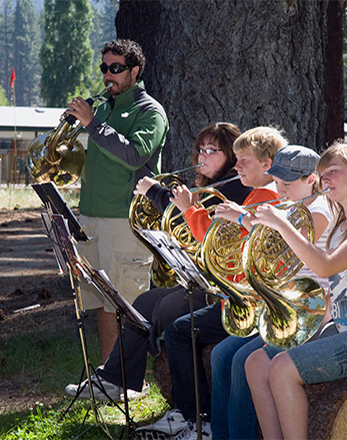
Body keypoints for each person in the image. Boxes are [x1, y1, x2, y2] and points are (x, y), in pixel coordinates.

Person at [65, 123, 251, 403]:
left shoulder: (234, 188)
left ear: (231, 155)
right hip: (202, 280)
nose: (202, 156)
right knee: (143, 303)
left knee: (165, 309)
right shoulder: (210, 186)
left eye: (212, 151)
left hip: (222, 289)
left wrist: (156, 192)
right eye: (200, 149)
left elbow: (194, 226)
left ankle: (181, 405)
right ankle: (117, 379)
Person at [245, 142, 347, 440]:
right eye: (322, 174)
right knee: (257, 362)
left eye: (332, 172)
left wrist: (283, 224)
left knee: (284, 368)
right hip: (345, 327)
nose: (324, 180)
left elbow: (325, 267)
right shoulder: (340, 223)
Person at [140, 126, 288, 440]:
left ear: (267, 163)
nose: (236, 166)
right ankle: (206, 424)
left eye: (244, 160)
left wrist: (189, 209)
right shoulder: (256, 194)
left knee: (181, 331)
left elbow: (219, 245)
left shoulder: (264, 198)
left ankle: (198, 420)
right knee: (191, 336)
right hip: (237, 298)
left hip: (249, 304)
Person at [208, 145, 335, 440]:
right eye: (277, 182)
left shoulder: (319, 210)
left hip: (314, 308)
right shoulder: (293, 207)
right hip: (289, 303)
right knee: (239, 358)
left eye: (287, 184)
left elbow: (287, 248)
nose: (280, 189)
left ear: (312, 180)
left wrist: (246, 220)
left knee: (243, 360)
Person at [66, 39, 169, 363]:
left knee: (127, 304)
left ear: (134, 71)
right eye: (104, 68)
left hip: (124, 220)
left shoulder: (149, 111)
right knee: (101, 303)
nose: (108, 75)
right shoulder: (105, 106)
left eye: (116, 69)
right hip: (92, 217)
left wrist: (92, 125)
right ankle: (109, 376)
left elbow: (134, 154)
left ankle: (129, 378)